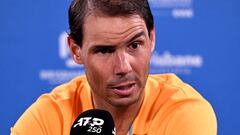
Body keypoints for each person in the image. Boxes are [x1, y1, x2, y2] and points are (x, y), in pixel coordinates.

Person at [11, 0, 217, 135]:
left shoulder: (183, 111)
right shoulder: (48, 116)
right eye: (104, 51)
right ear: (76, 50)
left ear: (151, 39)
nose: (123, 67)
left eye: (135, 45)